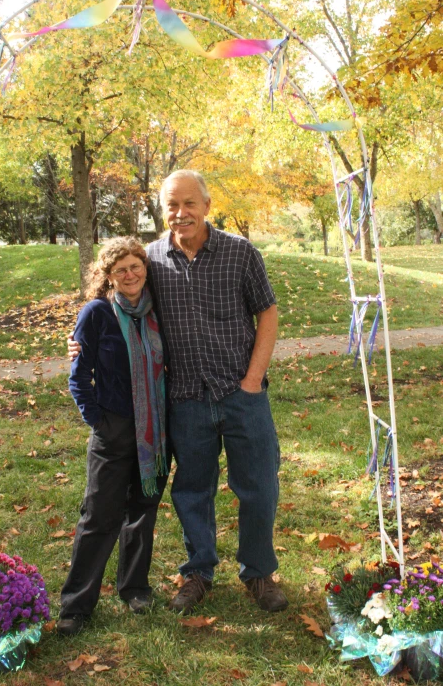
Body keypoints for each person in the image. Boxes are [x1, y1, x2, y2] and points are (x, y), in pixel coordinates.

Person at [69, 171, 287, 616]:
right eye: (172, 205)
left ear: (207, 205)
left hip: (241, 393)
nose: (180, 213)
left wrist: (252, 379)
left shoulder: (240, 253)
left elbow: (267, 312)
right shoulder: (150, 260)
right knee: (191, 491)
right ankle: (198, 573)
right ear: (163, 210)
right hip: (184, 400)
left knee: (259, 486)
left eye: (189, 204)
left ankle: (258, 572)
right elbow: (118, 306)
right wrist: (79, 341)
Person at [57, 237, 169, 636]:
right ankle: (76, 604)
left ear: (145, 267)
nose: (130, 275)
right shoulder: (97, 314)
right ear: (107, 277)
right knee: (99, 515)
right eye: (120, 269)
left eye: (136, 266)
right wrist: (98, 421)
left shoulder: (159, 311)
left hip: (155, 430)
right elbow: (78, 376)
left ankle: (134, 587)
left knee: (143, 510)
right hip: (114, 428)